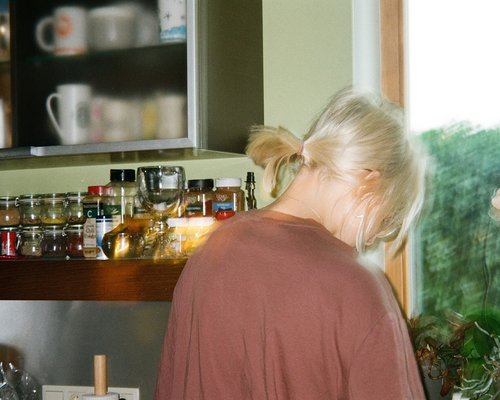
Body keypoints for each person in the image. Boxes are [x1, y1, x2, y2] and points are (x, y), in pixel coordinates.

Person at [155, 87, 427, 399]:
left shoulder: (212, 249)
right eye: (384, 220)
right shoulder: (357, 288)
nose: (371, 239)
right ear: (369, 181)